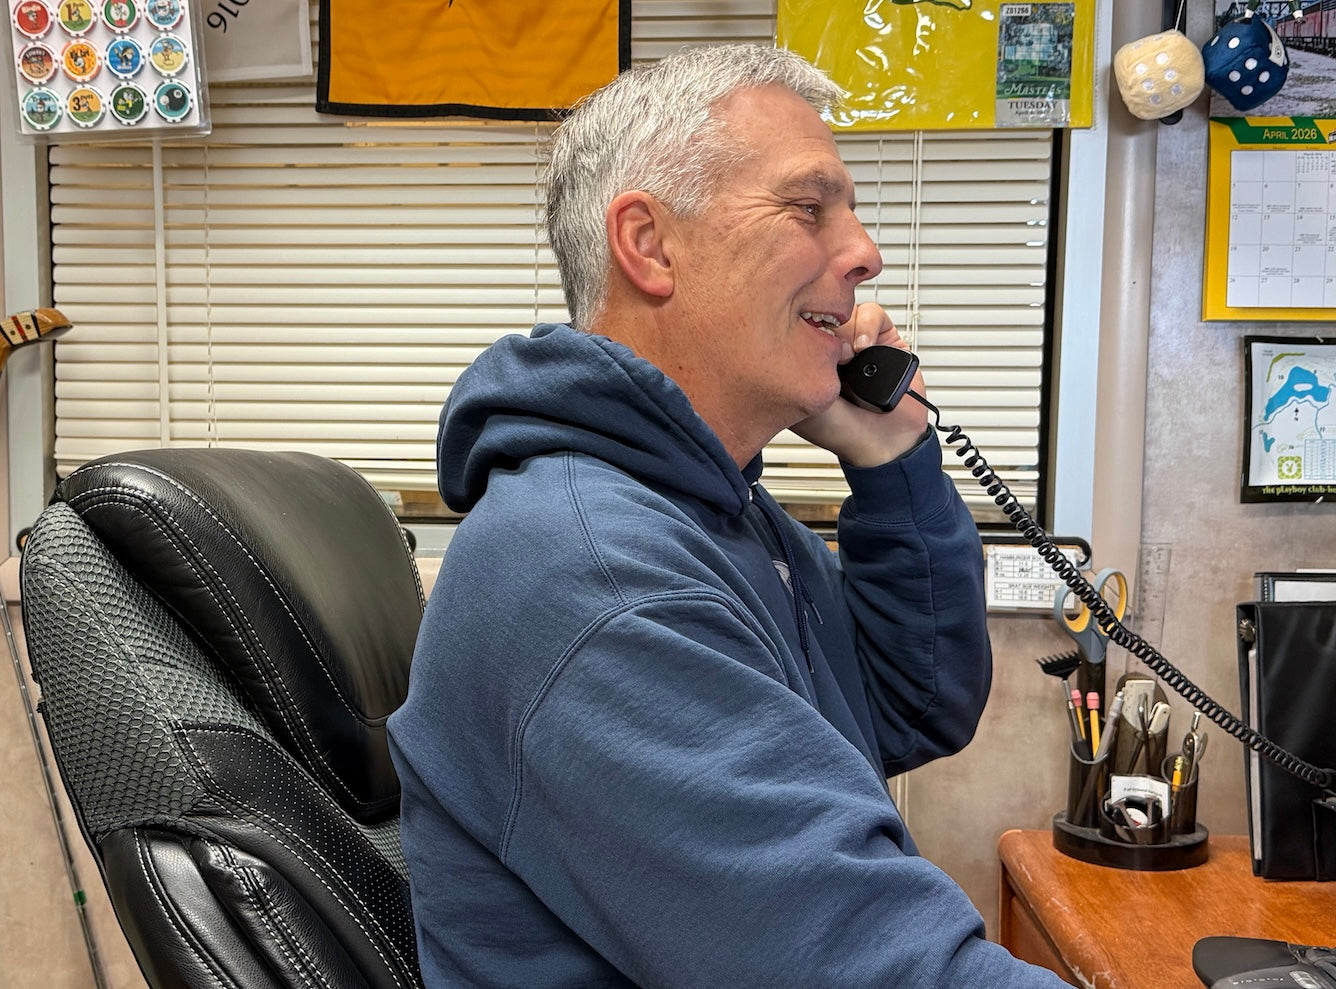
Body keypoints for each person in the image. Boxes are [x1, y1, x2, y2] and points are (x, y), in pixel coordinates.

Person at [386, 45, 1070, 987]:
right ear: (651, 245)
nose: (865, 252)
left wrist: (893, 458)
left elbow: (912, 709)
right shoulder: (600, 577)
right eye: (808, 207)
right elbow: (880, 971)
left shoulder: (715, 509)